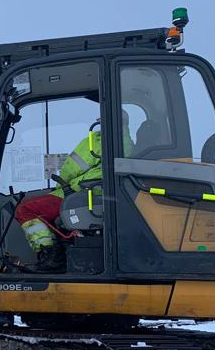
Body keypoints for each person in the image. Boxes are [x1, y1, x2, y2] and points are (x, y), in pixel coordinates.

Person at [13, 117, 130, 273]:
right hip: (95, 194)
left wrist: (59, 187)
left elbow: (72, 168)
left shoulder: (99, 140)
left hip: (81, 194)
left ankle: (52, 257)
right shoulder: (127, 144)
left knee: (25, 209)